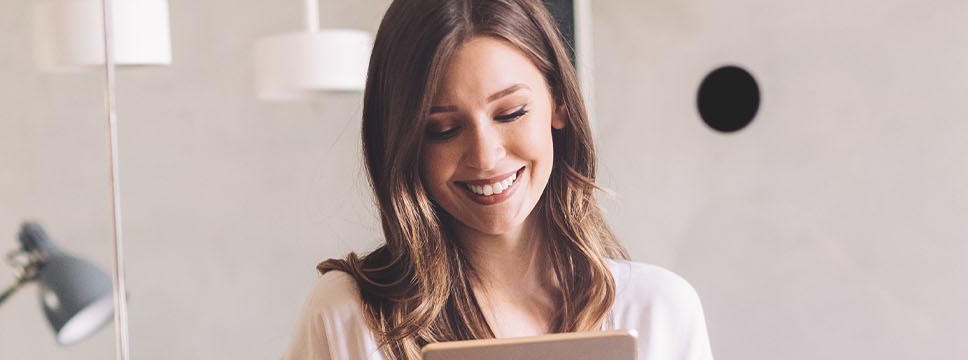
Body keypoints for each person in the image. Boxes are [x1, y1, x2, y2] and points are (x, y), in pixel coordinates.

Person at [282, 0, 712, 359]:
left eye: (511, 113)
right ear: (405, 141)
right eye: (443, 129)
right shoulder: (348, 315)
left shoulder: (659, 312)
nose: (486, 157)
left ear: (559, 102)